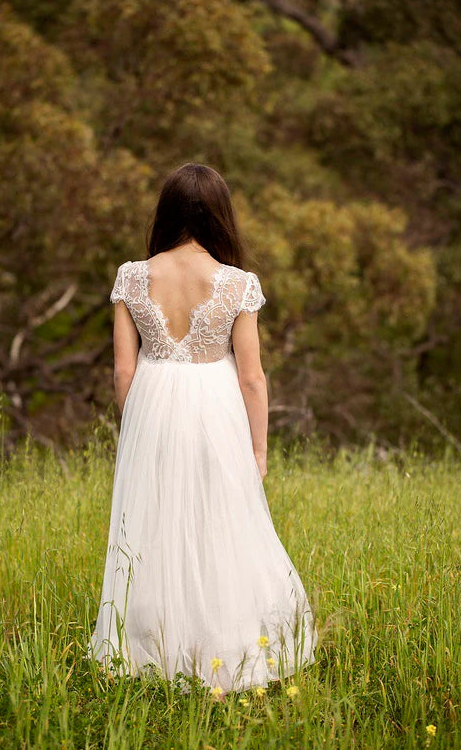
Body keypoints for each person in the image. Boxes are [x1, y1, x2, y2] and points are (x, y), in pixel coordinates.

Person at [86, 162, 317, 694]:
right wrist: (259, 452)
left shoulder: (132, 276)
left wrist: (140, 425)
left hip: (153, 407)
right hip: (216, 409)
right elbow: (253, 378)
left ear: (166, 212)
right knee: (219, 526)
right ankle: (226, 651)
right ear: (220, 216)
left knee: (153, 531)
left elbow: (123, 369)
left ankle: (151, 652)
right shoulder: (238, 284)